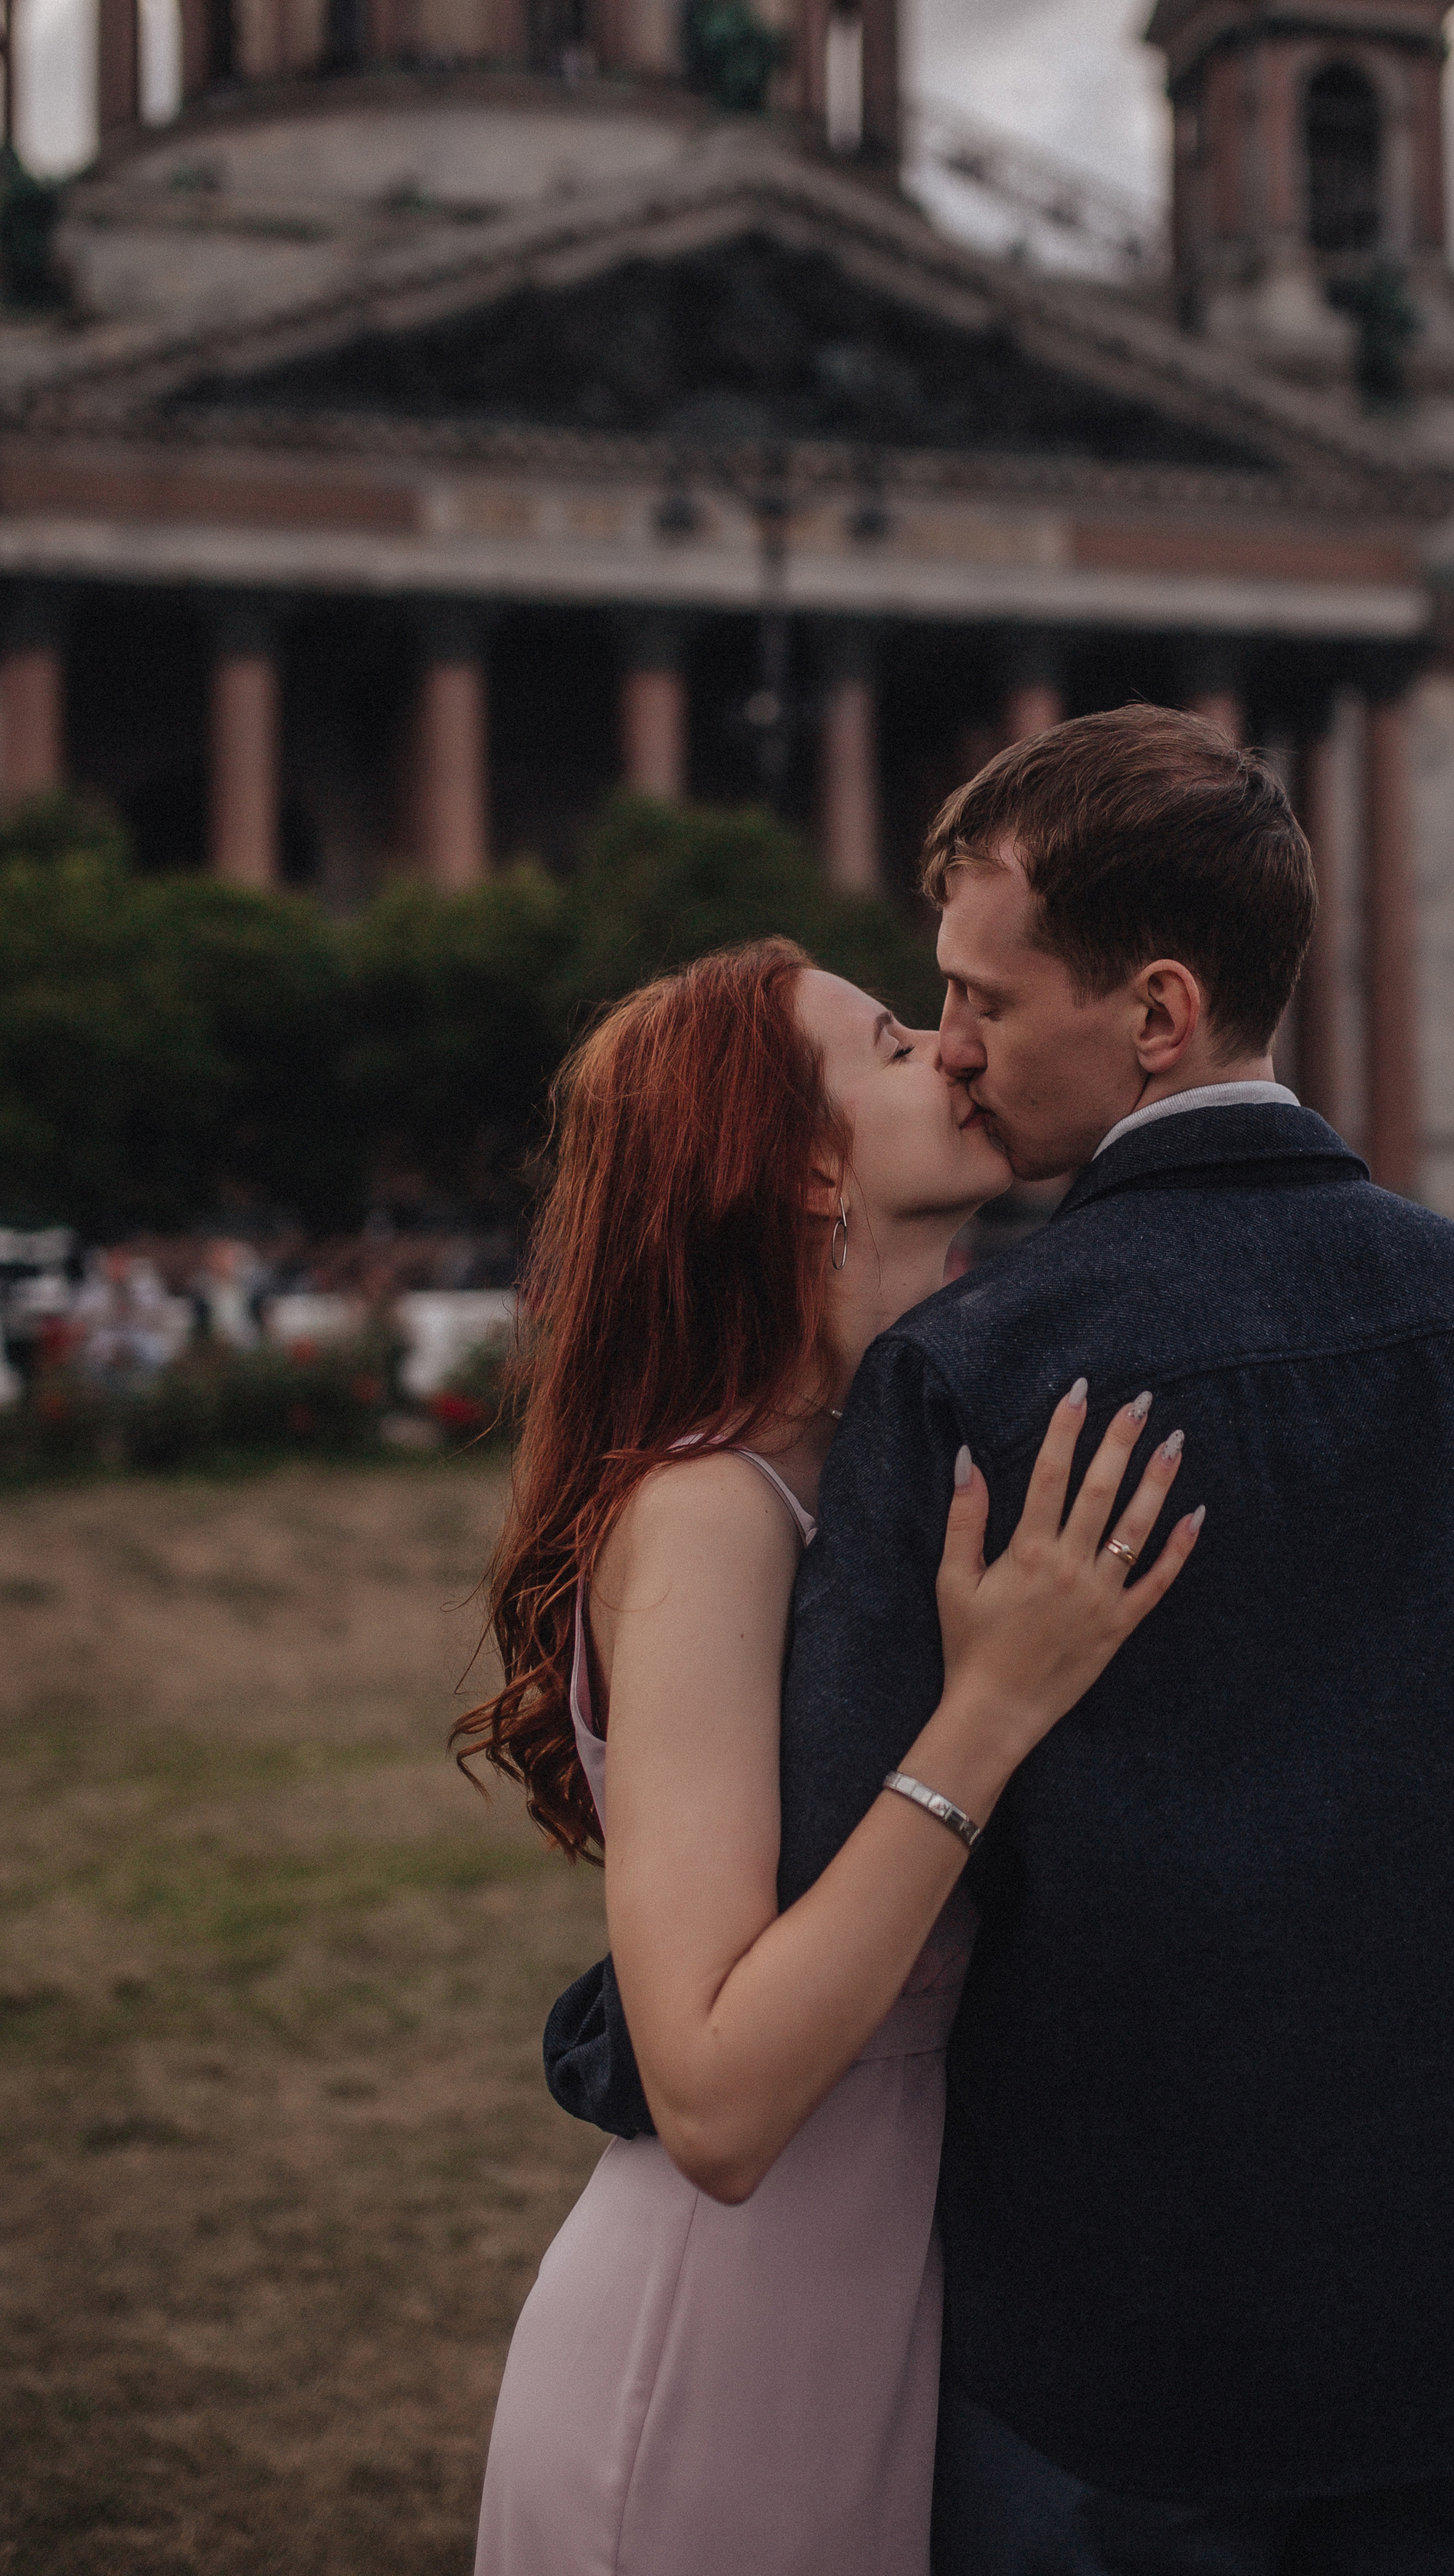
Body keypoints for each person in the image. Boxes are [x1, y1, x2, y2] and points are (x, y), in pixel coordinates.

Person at [549, 704, 1454, 2575]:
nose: (954, 1044)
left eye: (976, 998)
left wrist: (608, 2046)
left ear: (1154, 1014)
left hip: (1127, 2372)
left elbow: (816, 1885)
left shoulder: (975, 1379)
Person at [461, 938, 1204, 2576]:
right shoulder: (710, 1510)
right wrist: (991, 1709)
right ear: (802, 1166)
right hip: (718, 2371)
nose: (954, 1048)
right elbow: (715, 2100)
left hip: (895, 2342)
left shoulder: (887, 1460)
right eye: (890, 1043)